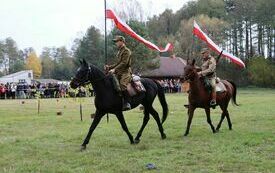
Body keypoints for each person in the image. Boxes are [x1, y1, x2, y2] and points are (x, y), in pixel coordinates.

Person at [104, 35, 132, 111]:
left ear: (122, 42)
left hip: (125, 72)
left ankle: (127, 102)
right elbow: (118, 63)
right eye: (115, 41)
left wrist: (114, 70)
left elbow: (124, 63)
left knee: (122, 84)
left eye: (117, 41)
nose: (116, 43)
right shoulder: (119, 51)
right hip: (119, 72)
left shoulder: (126, 51)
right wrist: (109, 67)